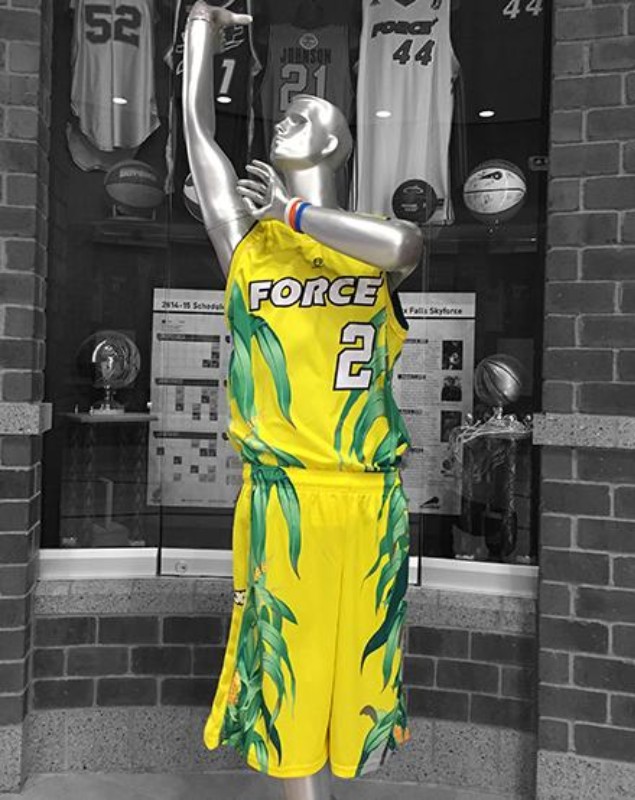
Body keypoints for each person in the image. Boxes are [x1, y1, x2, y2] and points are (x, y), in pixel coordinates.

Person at [183, 4, 424, 799]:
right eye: (285, 110)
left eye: (306, 113)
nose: (286, 117)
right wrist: (200, 36)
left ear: (334, 143)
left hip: (369, 495)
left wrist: (286, 209)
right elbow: (198, 136)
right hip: (286, 490)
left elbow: (405, 245)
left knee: (356, 676)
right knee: (286, 672)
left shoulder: (370, 239)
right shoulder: (246, 243)